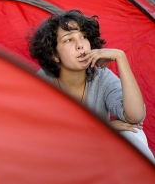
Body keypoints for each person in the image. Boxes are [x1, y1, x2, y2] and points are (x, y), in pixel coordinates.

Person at [27, 9, 154, 162]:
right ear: (54, 55)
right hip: (59, 161)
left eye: (84, 37)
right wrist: (104, 129)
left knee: (133, 133)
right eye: (69, 40)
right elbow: (46, 138)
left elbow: (134, 117)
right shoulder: (43, 82)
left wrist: (121, 58)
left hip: (97, 156)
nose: (80, 45)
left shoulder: (101, 77)